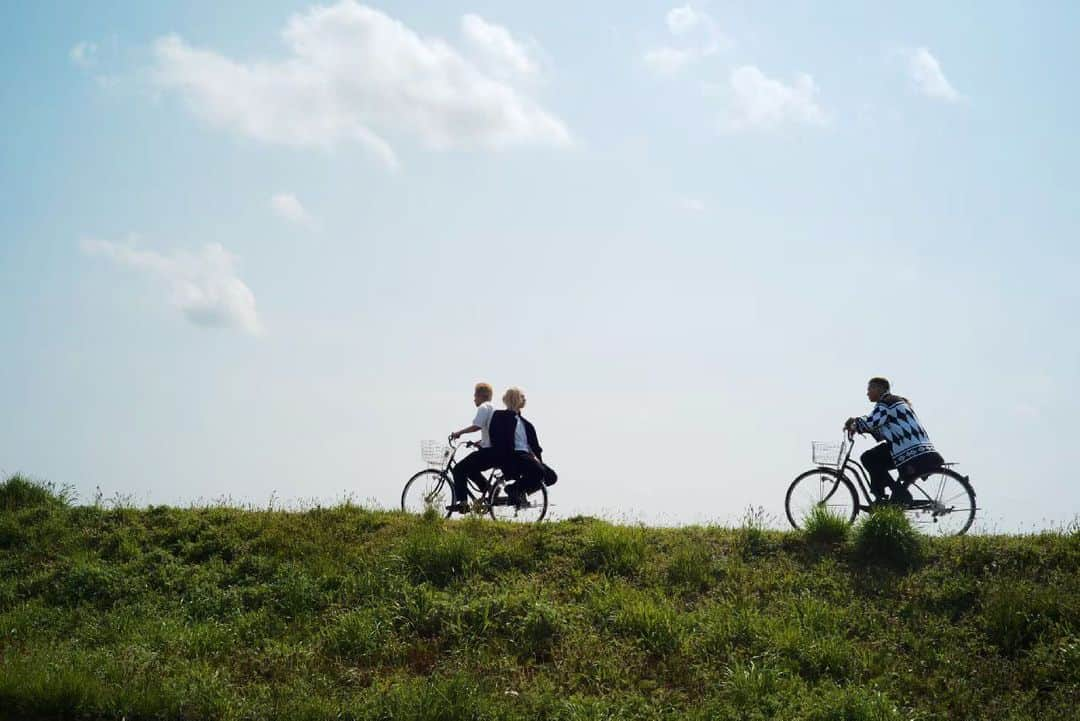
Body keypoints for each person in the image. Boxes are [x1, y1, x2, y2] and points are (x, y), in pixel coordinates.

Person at [844, 377, 945, 504]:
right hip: (917, 447)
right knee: (875, 460)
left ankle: (896, 494)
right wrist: (860, 428)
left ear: (880, 388)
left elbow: (872, 422)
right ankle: (884, 496)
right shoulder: (896, 401)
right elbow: (881, 429)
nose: (867, 393)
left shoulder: (886, 403)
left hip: (907, 449)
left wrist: (854, 422)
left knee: (868, 458)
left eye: (870, 389)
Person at [489, 387, 557, 506]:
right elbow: (496, 437)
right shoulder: (500, 416)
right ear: (514, 398)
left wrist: (538, 460)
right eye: (522, 397)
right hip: (513, 454)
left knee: (551, 477)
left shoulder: (526, 423)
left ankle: (519, 491)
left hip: (526, 455)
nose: (525, 399)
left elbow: (535, 446)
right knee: (538, 471)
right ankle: (513, 489)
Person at [448, 382, 497, 513]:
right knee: (470, 470)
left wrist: (459, 433)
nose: (474, 399)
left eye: (475, 395)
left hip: (488, 452)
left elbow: (477, 426)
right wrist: (480, 442)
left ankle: (463, 503)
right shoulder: (494, 408)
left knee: (458, 469)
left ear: (481, 395)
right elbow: (491, 432)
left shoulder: (483, 407)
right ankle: (491, 490)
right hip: (495, 451)